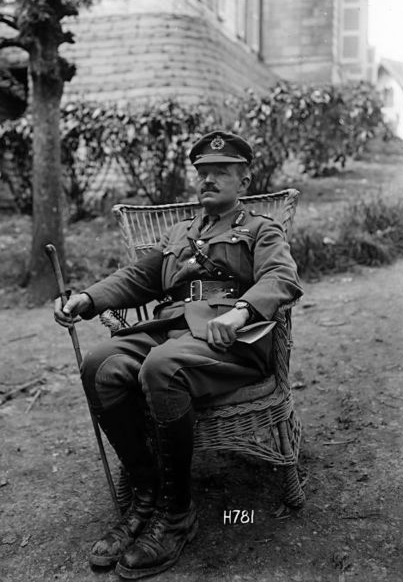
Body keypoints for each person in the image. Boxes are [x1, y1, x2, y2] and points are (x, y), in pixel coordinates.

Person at [54, 130, 303, 579]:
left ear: (243, 182)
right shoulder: (179, 235)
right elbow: (135, 279)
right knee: (100, 365)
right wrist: (86, 300)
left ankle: (176, 513)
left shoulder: (262, 230)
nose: (207, 180)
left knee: (161, 367)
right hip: (170, 332)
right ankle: (145, 496)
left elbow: (282, 279)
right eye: (202, 172)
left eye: (220, 172)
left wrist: (242, 311)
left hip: (229, 343)